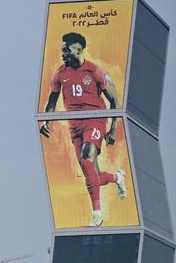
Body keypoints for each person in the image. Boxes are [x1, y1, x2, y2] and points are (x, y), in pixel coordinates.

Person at [39, 31, 127, 227]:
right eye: (62, 49)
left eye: (66, 49)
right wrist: (46, 123)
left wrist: (113, 128)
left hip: (95, 122)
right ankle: (116, 177)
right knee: (91, 174)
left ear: (78, 49)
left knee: (87, 158)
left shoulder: (95, 72)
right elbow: (51, 102)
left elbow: (114, 100)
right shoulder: (60, 74)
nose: (62, 53)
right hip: (74, 126)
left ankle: (97, 214)